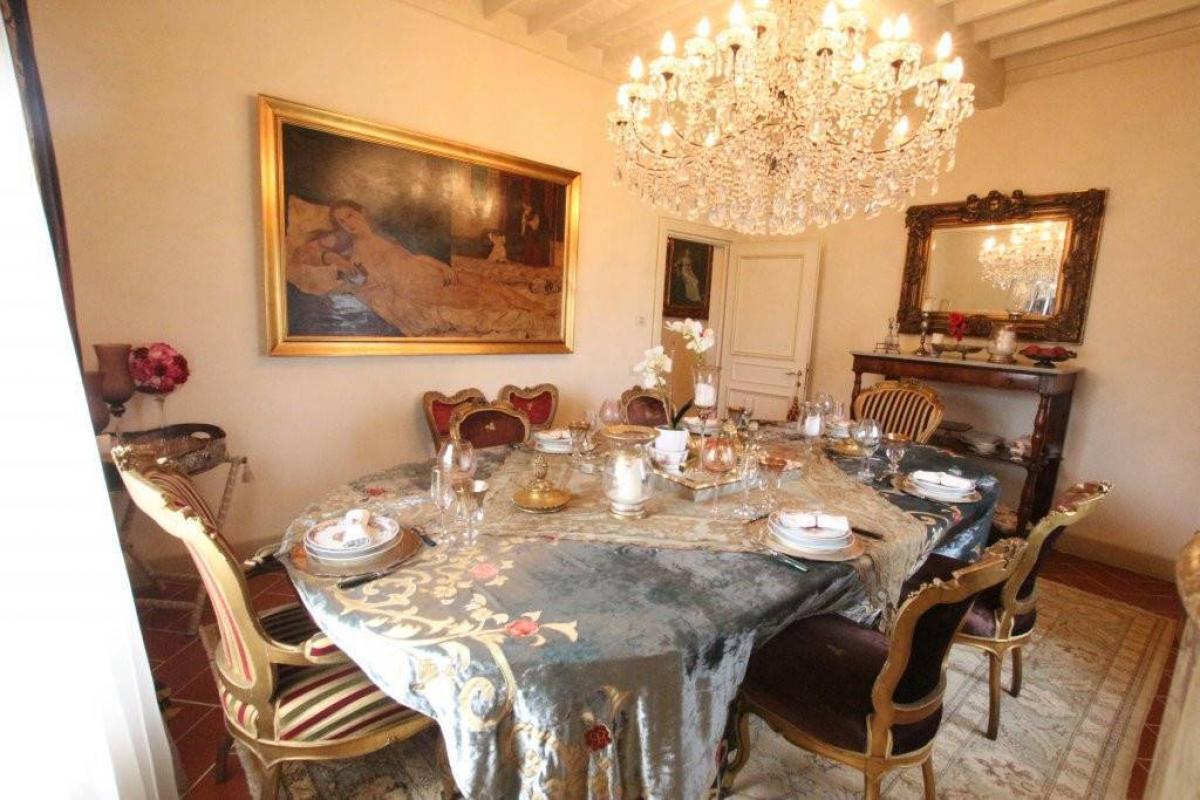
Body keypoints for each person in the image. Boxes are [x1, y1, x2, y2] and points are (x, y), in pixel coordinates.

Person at [327, 200, 555, 337]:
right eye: (342, 222)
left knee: (484, 282)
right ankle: (535, 316)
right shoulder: (357, 252)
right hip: (421, 290)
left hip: (428, 271)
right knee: (484, 299)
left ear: (361, 212)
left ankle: (538, 307)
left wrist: (440, 265)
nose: (349, 224)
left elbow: (412, 257)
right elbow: (370, 282)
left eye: (350, 216)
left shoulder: (383, 236)